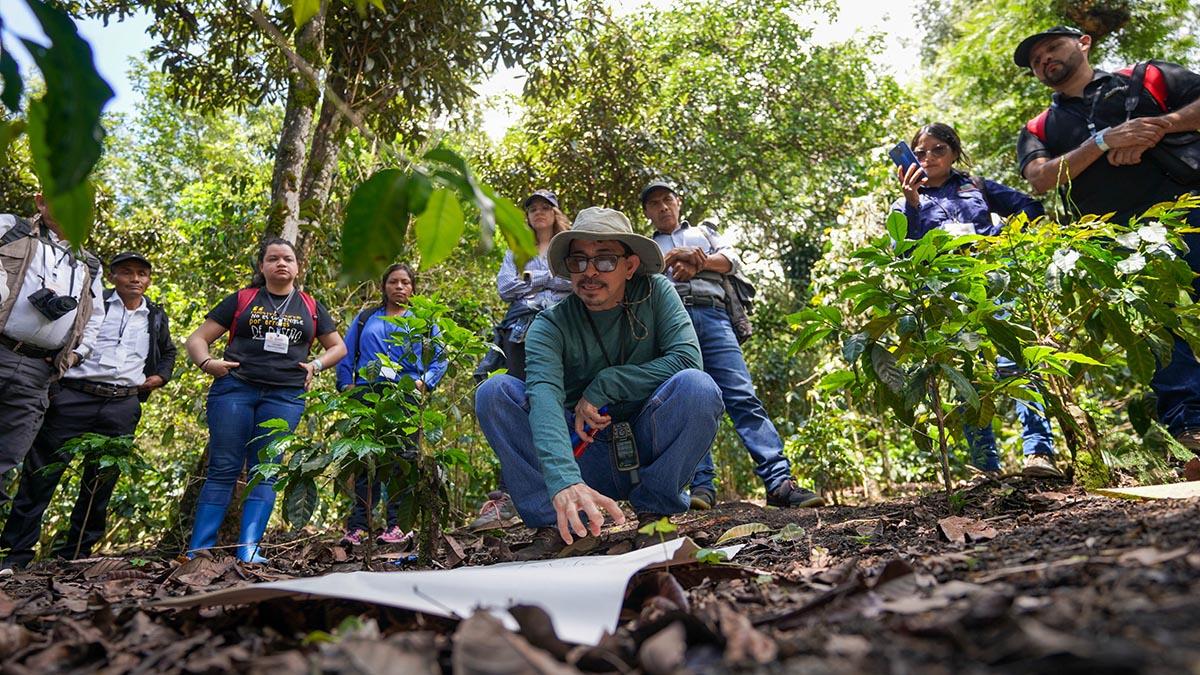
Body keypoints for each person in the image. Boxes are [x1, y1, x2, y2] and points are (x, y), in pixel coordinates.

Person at [475, 207, 724, 561]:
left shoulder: (657, 292)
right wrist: (564, 480)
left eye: (605, 260)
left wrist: (606, 383)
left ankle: (655, 515)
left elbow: (687, 360)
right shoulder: (550, 325)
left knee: (698, 387)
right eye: (579, 261)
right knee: (494, 393)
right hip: (584, 454)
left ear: (630, 265)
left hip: (647, 442)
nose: (590, 272)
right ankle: (557, 524)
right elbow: (544, 399)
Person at [1014, 26, 1200, 453]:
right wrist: (1102, 141)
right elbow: (1040, 177)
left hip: (1190, 212)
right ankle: (1192, 427)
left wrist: (1159, 126)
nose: (1044, 60)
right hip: (1118, 241)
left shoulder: (1148, 76)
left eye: (1052, 48)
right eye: (1036, 60)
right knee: (1155, 328)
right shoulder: (1040, 126)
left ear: (1083, 43)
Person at [892, 123, 1061, 478]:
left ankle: (1039, 453)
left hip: (992, 283)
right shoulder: (905, 201)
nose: (928, 157)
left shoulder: (976, 185)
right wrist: (912, 204)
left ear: (954, 151)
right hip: (946, 295)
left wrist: (1000, 239)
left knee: (1017, 363)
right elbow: (901, 254)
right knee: (967, 375)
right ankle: (985, 467)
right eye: (920, 153)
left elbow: (1030, 206)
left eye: (938, 149)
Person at [642, 181, 824, 510]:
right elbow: (641, 280)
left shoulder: (703, 232)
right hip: (670, 324)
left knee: (742, 396)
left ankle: (779, 482)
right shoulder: (646, 248)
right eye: (654, 203)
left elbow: (730, 260)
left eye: (667, 199)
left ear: (678, 202)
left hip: (714, 316)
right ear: (646, 213)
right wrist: (674, 255)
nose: (663, 207)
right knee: (689, 401)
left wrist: (696, 261)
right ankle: (701, 487)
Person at [0, 252, 176, 569]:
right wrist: (56, 379)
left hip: (123, 403)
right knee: (41, 475)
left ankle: (76, 555)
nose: (135, 279)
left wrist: (161, 376)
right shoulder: (92, 304)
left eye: (142, 274)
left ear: (149, 280)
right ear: (112, 277)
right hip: (73, 396)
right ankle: (15, 555)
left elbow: (168, 351)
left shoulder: (155, 314)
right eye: (127, 272)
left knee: (100, 482)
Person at [185, 238, 346, 563]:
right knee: (223, 468)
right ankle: (198, 550)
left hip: (285, 395)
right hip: (234, 390)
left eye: (287, 258)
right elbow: (197, 339)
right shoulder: (243, 299)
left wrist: (315, 365)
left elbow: (338, 347)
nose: (280, 263)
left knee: (266, 469)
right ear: (262, 266)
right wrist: (207, 363)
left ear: (297, 266)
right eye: (273, 259)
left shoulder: (311, 306)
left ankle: (249, 550)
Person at [469, 189, 573, 532]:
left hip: (564, 330)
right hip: (520, 332)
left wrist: (530, 280)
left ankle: (571, 484)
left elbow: (574, 280)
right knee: (516, 401)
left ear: (556, 213)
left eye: (545, 207)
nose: (539, 213)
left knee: (562, 401)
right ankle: (510, 494)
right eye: (533, 209)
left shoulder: (567, 247)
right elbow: (505, 289)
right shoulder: (517, 251)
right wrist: (549, 281)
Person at [0, 194, 105, 509]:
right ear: (41, 201)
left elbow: (96, 318)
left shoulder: (89, 264)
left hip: (37, 371)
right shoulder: (10, 228)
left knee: (7, 456)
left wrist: (76, 355)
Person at [336, 263, 447, 546]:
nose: (399, 287)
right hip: (368, 393)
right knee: (365, 460)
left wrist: (425, 382)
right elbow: (346, 352)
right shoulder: (366, 318)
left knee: (403, 459)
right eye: (393, 282)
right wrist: (346, 385)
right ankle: (359, 526)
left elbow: (440, 357)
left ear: (413, 288)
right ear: (383, 286)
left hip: (405, 394)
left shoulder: (423, 322)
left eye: (405, 282)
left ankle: (398, 525)